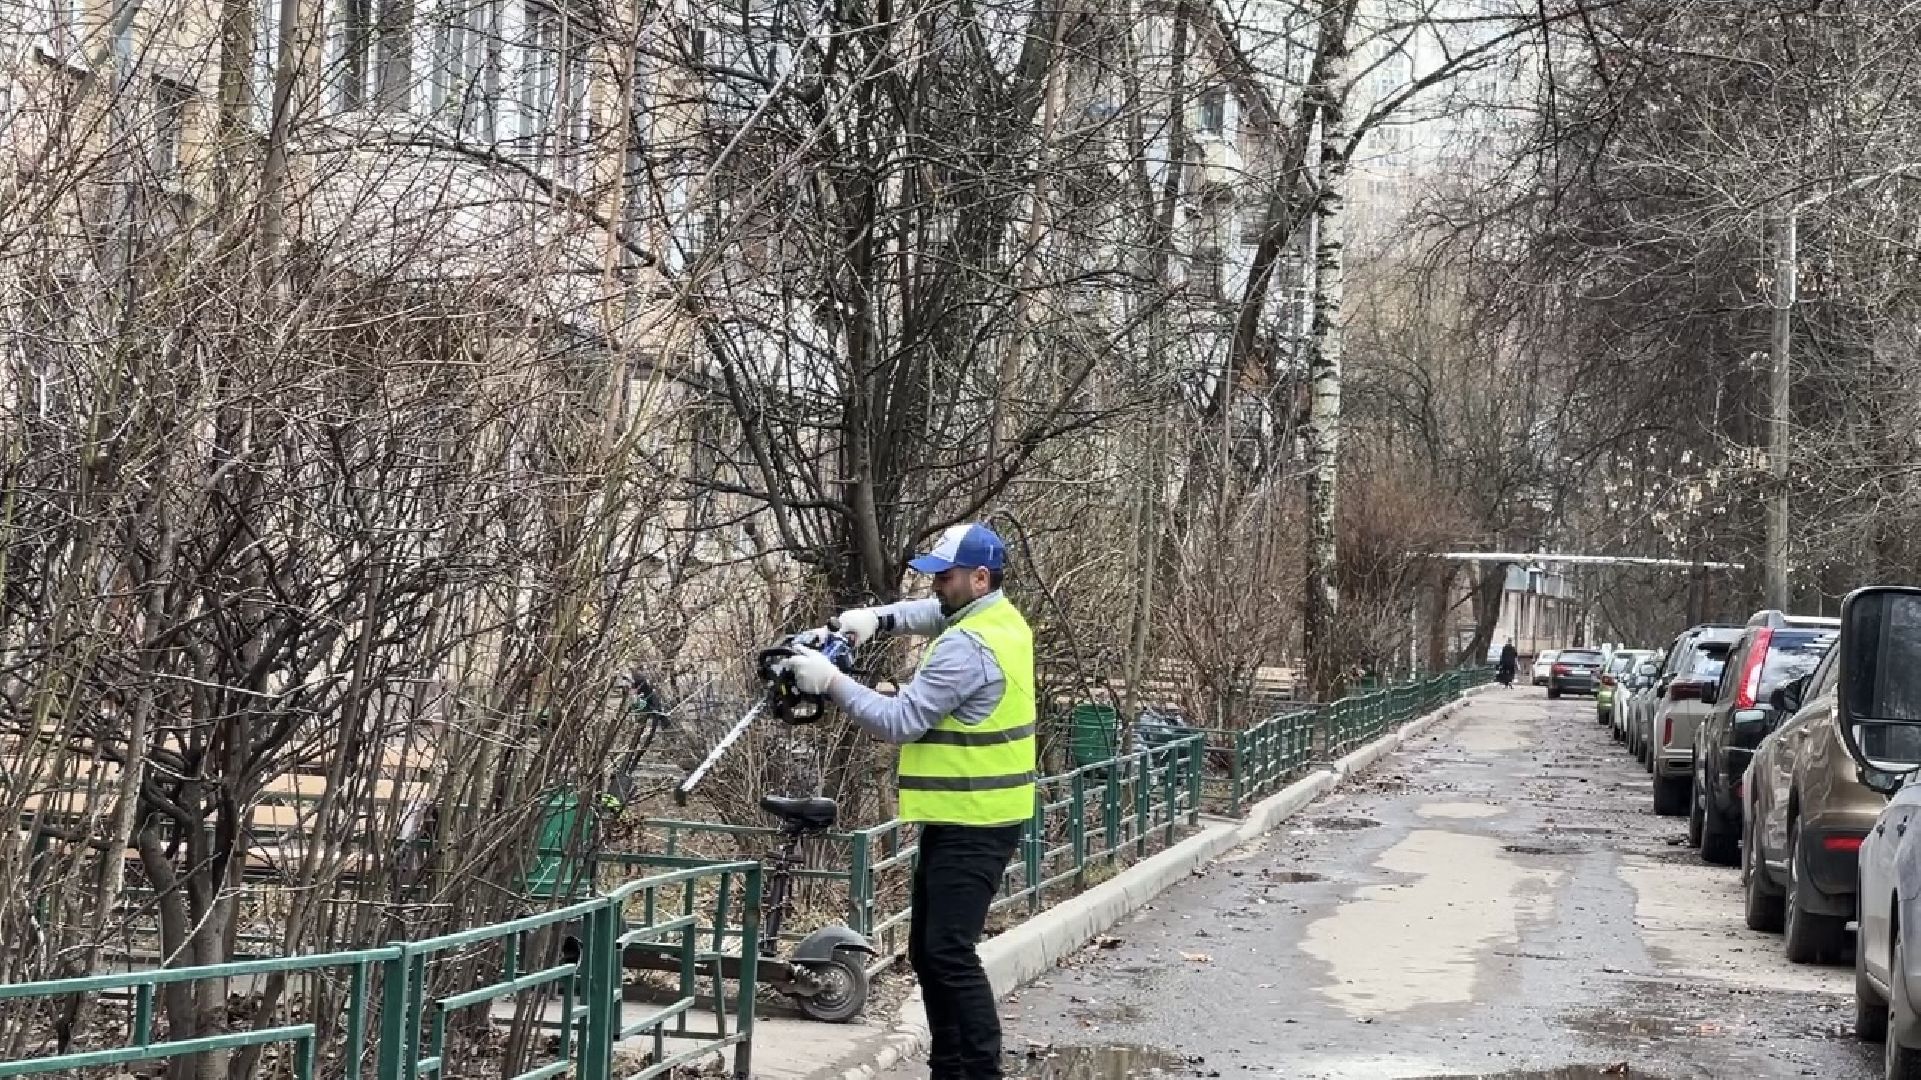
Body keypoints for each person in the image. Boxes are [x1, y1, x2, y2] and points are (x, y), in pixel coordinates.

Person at [777, 522, 1034, 1080]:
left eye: (945, 576)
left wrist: (830, 682)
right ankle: (952, 1067)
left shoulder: (970, 647)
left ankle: (975, 1070)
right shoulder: (995, 617)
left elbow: (901, 721)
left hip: (975, 821)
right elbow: (932, 614)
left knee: (948, 953)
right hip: (970, 814)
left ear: (979, 577)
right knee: (930, 951)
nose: (936, 585)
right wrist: (877, 619)